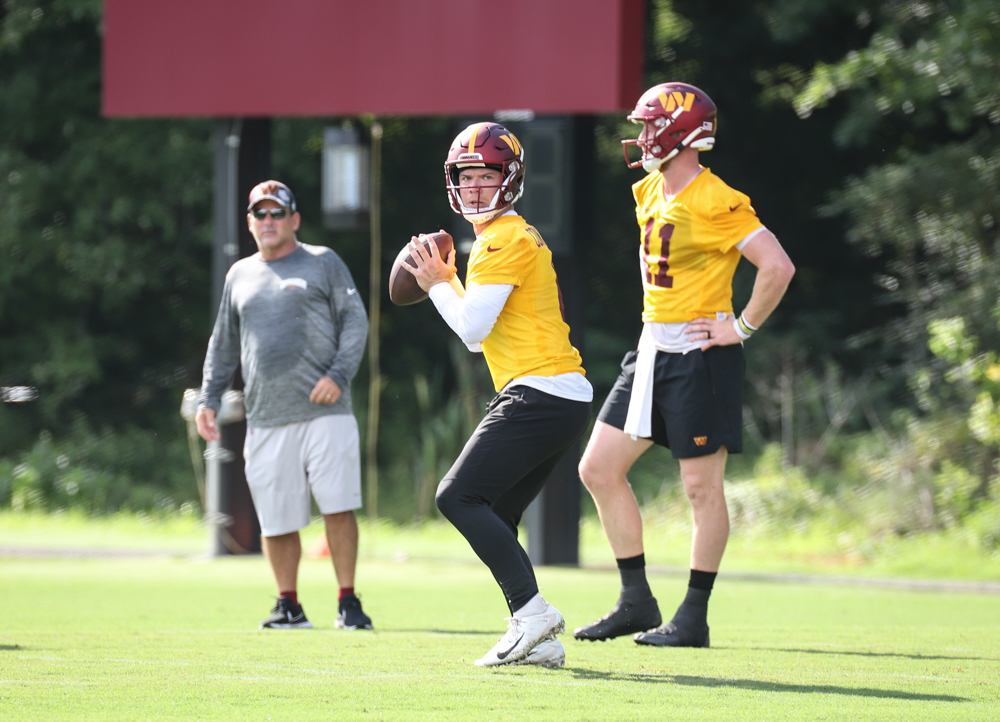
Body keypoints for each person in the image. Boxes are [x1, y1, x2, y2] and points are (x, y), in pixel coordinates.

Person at [573, 83, 796, 647]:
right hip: (651, 349)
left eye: (651, 126)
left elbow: (777, 267)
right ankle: (635, 601)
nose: (642, 136)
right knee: (597, 469)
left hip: (702, 355)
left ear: (678, 133)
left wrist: (739, 326)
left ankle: (693, 615)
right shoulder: (648, 190)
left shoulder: (716, 198)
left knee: (700, 486)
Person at [404, 122, 593, 668]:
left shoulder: (501, 239)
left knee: (454, 496)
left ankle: (533, 614)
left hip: (539, 390)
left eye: (486, 176)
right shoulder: (507, 237)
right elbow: (479, 322)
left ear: (509, 179)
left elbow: (470, 332)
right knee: (498, 511)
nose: (475, 187)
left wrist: (437, 280)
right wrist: (446, 280)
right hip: (558, 394)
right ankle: (540, 638)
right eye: (467, 176)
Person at [196, 180, 373, 631]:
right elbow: (223, 344)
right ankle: (288, 604)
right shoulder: (239, 274)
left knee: (338, 504)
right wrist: (209, 399)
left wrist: (338, 375)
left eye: (278, 213)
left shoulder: (323, 261)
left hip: (325, 411)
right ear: (250, 222)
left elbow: (355, 321)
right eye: (260, 214)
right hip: (266, 416)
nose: (269, 221)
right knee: (276, 517)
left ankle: (348, 602)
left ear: (294, 219)